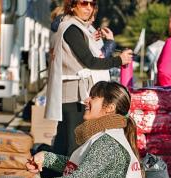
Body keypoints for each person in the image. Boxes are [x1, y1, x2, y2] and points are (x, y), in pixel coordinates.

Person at [27, 81, 148, 178]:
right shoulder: (110, 134)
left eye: (93, 97)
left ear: (110, 108)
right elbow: (83, 168)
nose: (86, 100)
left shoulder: (107, 142)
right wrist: (46, 158)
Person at [45, 0, 133, 156]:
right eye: (83, 3)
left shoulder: (73, 27)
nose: (89, 8)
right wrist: (119, 60)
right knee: (74, 145)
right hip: (75, 95)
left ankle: (52, 175)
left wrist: (98, 40)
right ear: (72, 6)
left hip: (73, 93)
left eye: (92, 4)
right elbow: (90, 61)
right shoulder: (72, 29)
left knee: (64, 143)